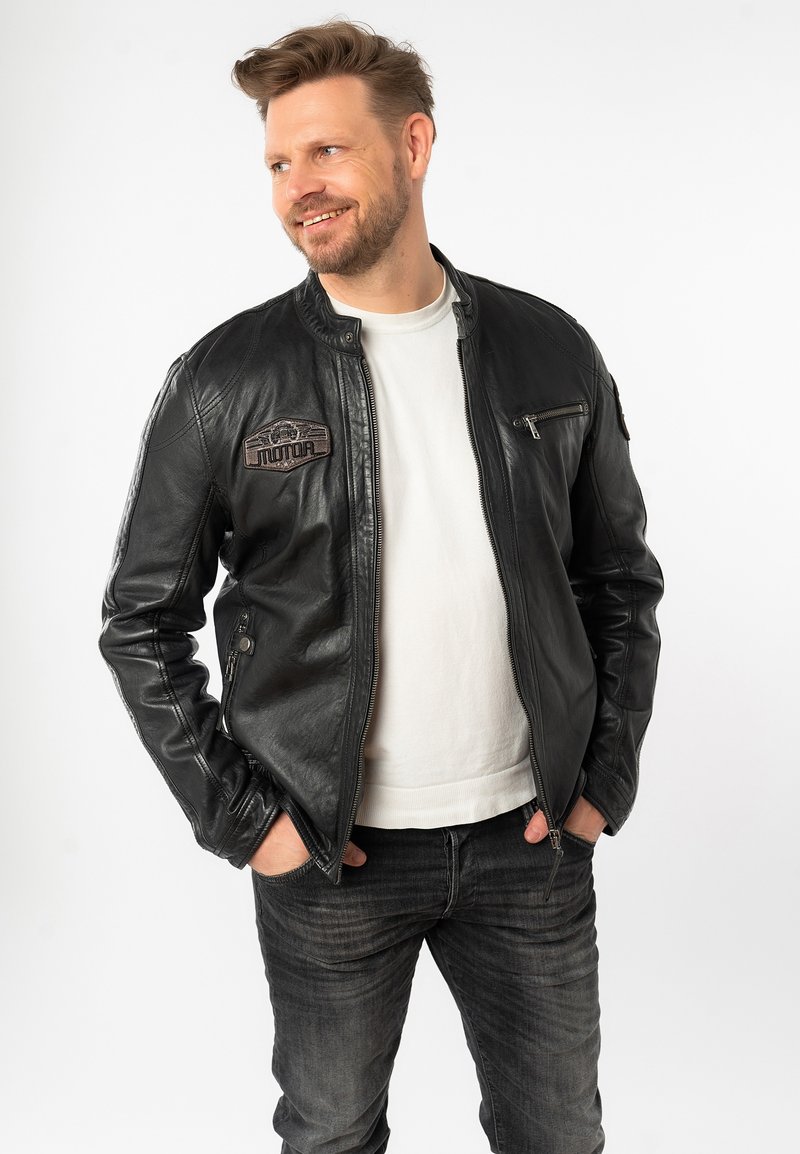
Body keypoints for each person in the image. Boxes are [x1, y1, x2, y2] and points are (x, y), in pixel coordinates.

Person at [99, 19, 663, 1154]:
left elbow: (618, 581)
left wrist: (600, 780)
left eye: (327, 151)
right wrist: (247, 821)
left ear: (413, 144)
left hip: (531, 840)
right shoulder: (225, 380)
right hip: (327, 855)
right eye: (277, 161)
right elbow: (141, 620)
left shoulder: (549, 350)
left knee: (558, 1134)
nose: (297, 186)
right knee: (330, 1136)